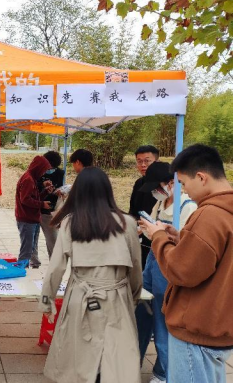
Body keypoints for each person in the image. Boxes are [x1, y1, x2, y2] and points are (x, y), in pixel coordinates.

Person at [40, 167, 143, 383]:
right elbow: (135, 267)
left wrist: (47, 301)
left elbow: (56, 268)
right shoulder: (127, 223)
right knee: (116, 360)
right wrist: (133, 298)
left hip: (81, 297)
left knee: (79, 358)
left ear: (78, 192)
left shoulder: (70, 223)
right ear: (108, 190)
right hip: (117, 298)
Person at [140, 145, 233, 383]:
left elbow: (181, 270)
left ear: (201, 177)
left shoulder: (209, 214)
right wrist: (180, 237)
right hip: (219, 324)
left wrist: (158, 237)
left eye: (183, 182)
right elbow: (215, 254)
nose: (185, 191)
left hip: (196, 329)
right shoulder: (226, 211)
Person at [135, 162, 197, 383]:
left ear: (172, 183)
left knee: (162, 322)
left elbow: (188, 244)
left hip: (168, 266)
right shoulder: (160, 203)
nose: (155, 192)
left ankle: (163, 373)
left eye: (157, 187)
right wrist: (145, 228)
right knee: (141, 312)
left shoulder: (188, 206)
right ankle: (132, 361)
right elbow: (152, 232)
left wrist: (163, 234)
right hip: (152, 262)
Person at [15, 156, 52, 267]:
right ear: (38, 168)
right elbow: (25, 199)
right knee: (27, 248)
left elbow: (34, 197)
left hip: (32, 218)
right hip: (27, 219)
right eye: (43, 170)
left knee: (30, 247)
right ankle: (21, 269)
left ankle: (23, 268)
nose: (43, 173)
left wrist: (45, 192)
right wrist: (42, 204)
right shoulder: (28, 179)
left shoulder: (32, 179)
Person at [129, 145, 160, 269]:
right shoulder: (138, 183)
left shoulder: (163, 186)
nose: (143, 165)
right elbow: (133, 210)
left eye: (147, 161)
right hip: (138, 235)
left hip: (155, 236)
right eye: (139, 161)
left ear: (156, 162)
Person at [38, 151, 65, 260]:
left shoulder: (60, 173)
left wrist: (59, 191)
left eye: (52, 167)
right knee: (32, 241)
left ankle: (54, 262)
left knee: (53, 240)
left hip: (50, 211)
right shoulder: (38, 172)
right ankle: (34, 263)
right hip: (35, 209)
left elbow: (60, 187)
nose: (49, 169)